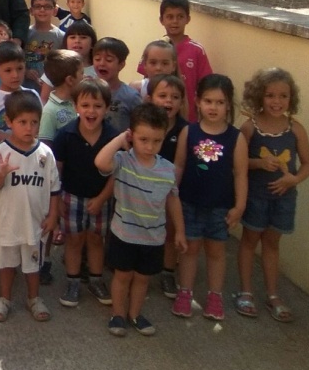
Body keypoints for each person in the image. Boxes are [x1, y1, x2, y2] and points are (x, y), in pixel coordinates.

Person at [95, 103, 187, 337]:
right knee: (122, 276)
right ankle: (117, 313)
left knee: (142, 279)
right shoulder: (124, 161)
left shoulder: (167, 169)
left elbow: (173, 200)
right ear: (132, 135)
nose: (150, 146)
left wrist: (179, 231)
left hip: (153, 237)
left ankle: (135, 314)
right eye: (143, 139)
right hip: (124, 233)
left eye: (157, 141)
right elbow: (101, 162)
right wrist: (119, 139)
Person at [235, 68, 309, 322]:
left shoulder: (296, 129)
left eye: (283, 96)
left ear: (291, 99)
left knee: (272, 244)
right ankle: (246, 291)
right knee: (249, 241)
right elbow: (237, 163)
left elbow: (308, 164)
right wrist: (258, 163)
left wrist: (294, 179)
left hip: (284, 199)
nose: (277, 102)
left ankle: (272, 295)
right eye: (270, 95)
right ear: (259, 96)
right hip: (256, 196)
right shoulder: (250, 128)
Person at [172, 74, 248, 321]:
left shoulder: (236, 138)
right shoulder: (188, 132)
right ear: (197, 102)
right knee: (189, 250)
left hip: (220, 208)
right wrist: (172, 195)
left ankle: (215, 296)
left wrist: (239, 206)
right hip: (189, 203)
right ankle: (185, 293)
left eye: (220, 102)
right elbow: (180, 165)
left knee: (216, 252)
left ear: (228, 105)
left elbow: (240, 175)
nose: (213, 107)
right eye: (208, 101)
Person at [0, 92, 61, 323]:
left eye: (34, 122)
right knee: (6, 263)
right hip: (9, 220)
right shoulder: (2, 151)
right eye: (22, 122)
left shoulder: (45, 154)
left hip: (36, 221)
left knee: (33, 265)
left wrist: (54, 215)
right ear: (9, 122)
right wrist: (0, 174)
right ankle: (5, 299)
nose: (29, 128)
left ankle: (33, 298)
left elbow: (54, 188)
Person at [51, 79, 118, 308]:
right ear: (76, 106)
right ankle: (73, 281)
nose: (91, 111)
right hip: (71, 197)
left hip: (101, 198)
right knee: (74, 240)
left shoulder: (112, 137)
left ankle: (96, 280)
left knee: (96, 240)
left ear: (107, 108)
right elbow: (57, 171)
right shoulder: (65, 135)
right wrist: (57, 198)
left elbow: (115, 175)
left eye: (98, 106)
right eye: (86, 105)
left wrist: (101, 199)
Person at [142, 74, 190, 298]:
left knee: (170, 231)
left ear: (182, 101)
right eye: (162, 96)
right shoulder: (142, 124)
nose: (168, 101)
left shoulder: (185, 130)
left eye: (175, 97)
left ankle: (168, 272)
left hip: (170, 190)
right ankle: (138, 266)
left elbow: (180, 165)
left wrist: (170, 192)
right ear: (150, 98)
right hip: (141, 189)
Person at [147, 0, 213, 122]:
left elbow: (205, 85)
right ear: (161, 20)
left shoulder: (196, 50)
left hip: (189, 117)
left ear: (188, 19)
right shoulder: (155, 48)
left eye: (180, 16)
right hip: (156, 116)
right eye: (170, 17)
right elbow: (146, 80)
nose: (175, 21)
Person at [91, 37, 143, 133]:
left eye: (109, 60)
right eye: (97, 59)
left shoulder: (131, 96)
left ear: (121, 65)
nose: (102, 63)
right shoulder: (87, 91)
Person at [39, 49, 83, 142]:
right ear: (70, 80)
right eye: (82, 73)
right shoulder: (49, 111)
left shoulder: (80, 102)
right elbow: (45, 145)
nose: (85, 77)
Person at [24, 0, 63, 91]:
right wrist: (25, 71)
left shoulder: (61, 36)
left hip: (51, 89)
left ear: (54, 11)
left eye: (47, 7)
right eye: (37, 6)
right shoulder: (24, 34)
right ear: (31, 11)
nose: (42, 10)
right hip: (27, 88)